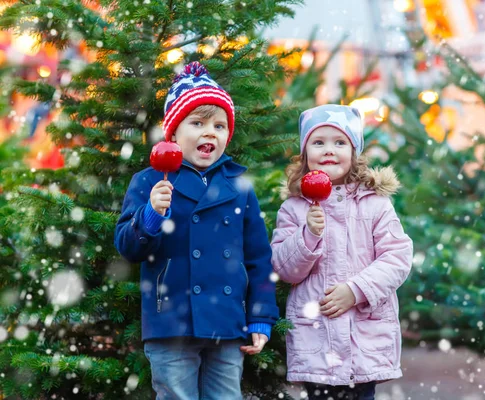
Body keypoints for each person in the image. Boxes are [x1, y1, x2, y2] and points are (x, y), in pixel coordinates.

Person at [114, 62, 278, 400]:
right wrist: (150, 215)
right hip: (171, 320)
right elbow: (128, 248)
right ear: (173, 133)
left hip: (226, 321)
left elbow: (259, 259)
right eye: (198, 123)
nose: (210, 132)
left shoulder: (239, 186)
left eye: (219, 125)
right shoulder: (149, 181)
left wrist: (260, 317)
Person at [271, 104, 413, 400]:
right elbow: (285, 268)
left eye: (339, 143)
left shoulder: (374, 204)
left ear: (354, 152)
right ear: (305, 152)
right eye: (318, 142)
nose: (329, 150)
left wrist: (356, 289)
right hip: (317, 340)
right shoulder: (294, 209)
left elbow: (397, 258)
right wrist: (308, 234)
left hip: (363, 340)